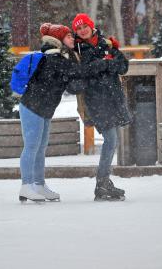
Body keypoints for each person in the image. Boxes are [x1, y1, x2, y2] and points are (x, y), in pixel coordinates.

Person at [18, 23, 109, 203]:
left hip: (43, 109)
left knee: (40, 148)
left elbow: (74, 85)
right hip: (32, 107)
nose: (72, 39)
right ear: (59, 40)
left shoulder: (61, 58)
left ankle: (39, 184)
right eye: (68, 37)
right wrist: (101, 65)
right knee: (31, 147)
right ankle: (26, 186)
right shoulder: (54, 59)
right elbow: (77, 72)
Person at [69, 13, 131, 201]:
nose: (82, 30)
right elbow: (83, 73)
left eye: (84, 26)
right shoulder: (77, 51)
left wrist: (106, 64)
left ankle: (104, 182)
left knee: (113, 141)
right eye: (78, 29)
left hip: (113, 99)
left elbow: (123, 65)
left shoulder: (107, 44)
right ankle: (102, 183)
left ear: (91, 25)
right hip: (96, 102)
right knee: (111, 140)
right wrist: (103, 64)